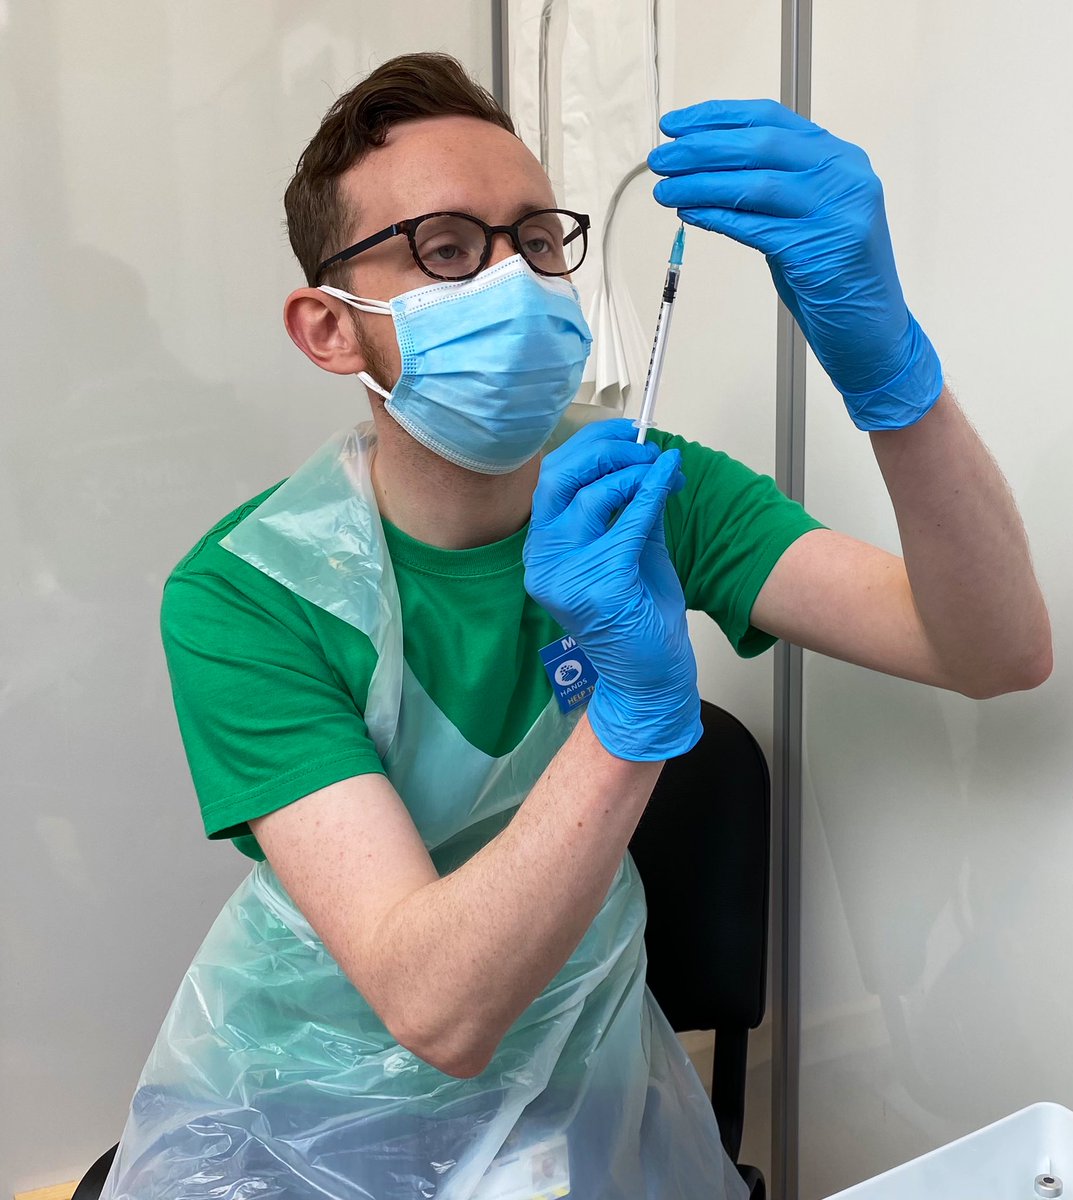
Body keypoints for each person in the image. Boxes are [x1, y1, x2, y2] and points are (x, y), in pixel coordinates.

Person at [100, 52, 1051, 1200]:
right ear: (330, 329)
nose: (514, 279)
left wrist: (889, 372)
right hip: (313, 1108)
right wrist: (632, 710)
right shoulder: (251, 593)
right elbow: (436, 1011)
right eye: (447, 248)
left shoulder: (638, 490)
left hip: (585, 1080)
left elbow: (990, 649)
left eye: (537, 239)